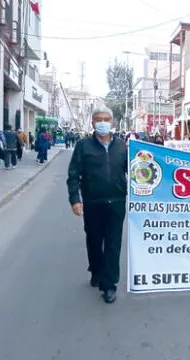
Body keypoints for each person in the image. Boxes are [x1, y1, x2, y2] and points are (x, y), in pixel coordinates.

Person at [67, 106, 128, 304]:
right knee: (94, 241)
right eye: (99, 119)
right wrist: (75, 200)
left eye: (106, 119)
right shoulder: (83, 146)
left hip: (117, 202)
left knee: (113, 243)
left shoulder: (122, 147)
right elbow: (73, 175)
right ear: (92, 123)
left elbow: (136, 172)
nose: (103, 122)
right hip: (93, 202)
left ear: (112, 122)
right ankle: (95, 269)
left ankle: (109, 284)